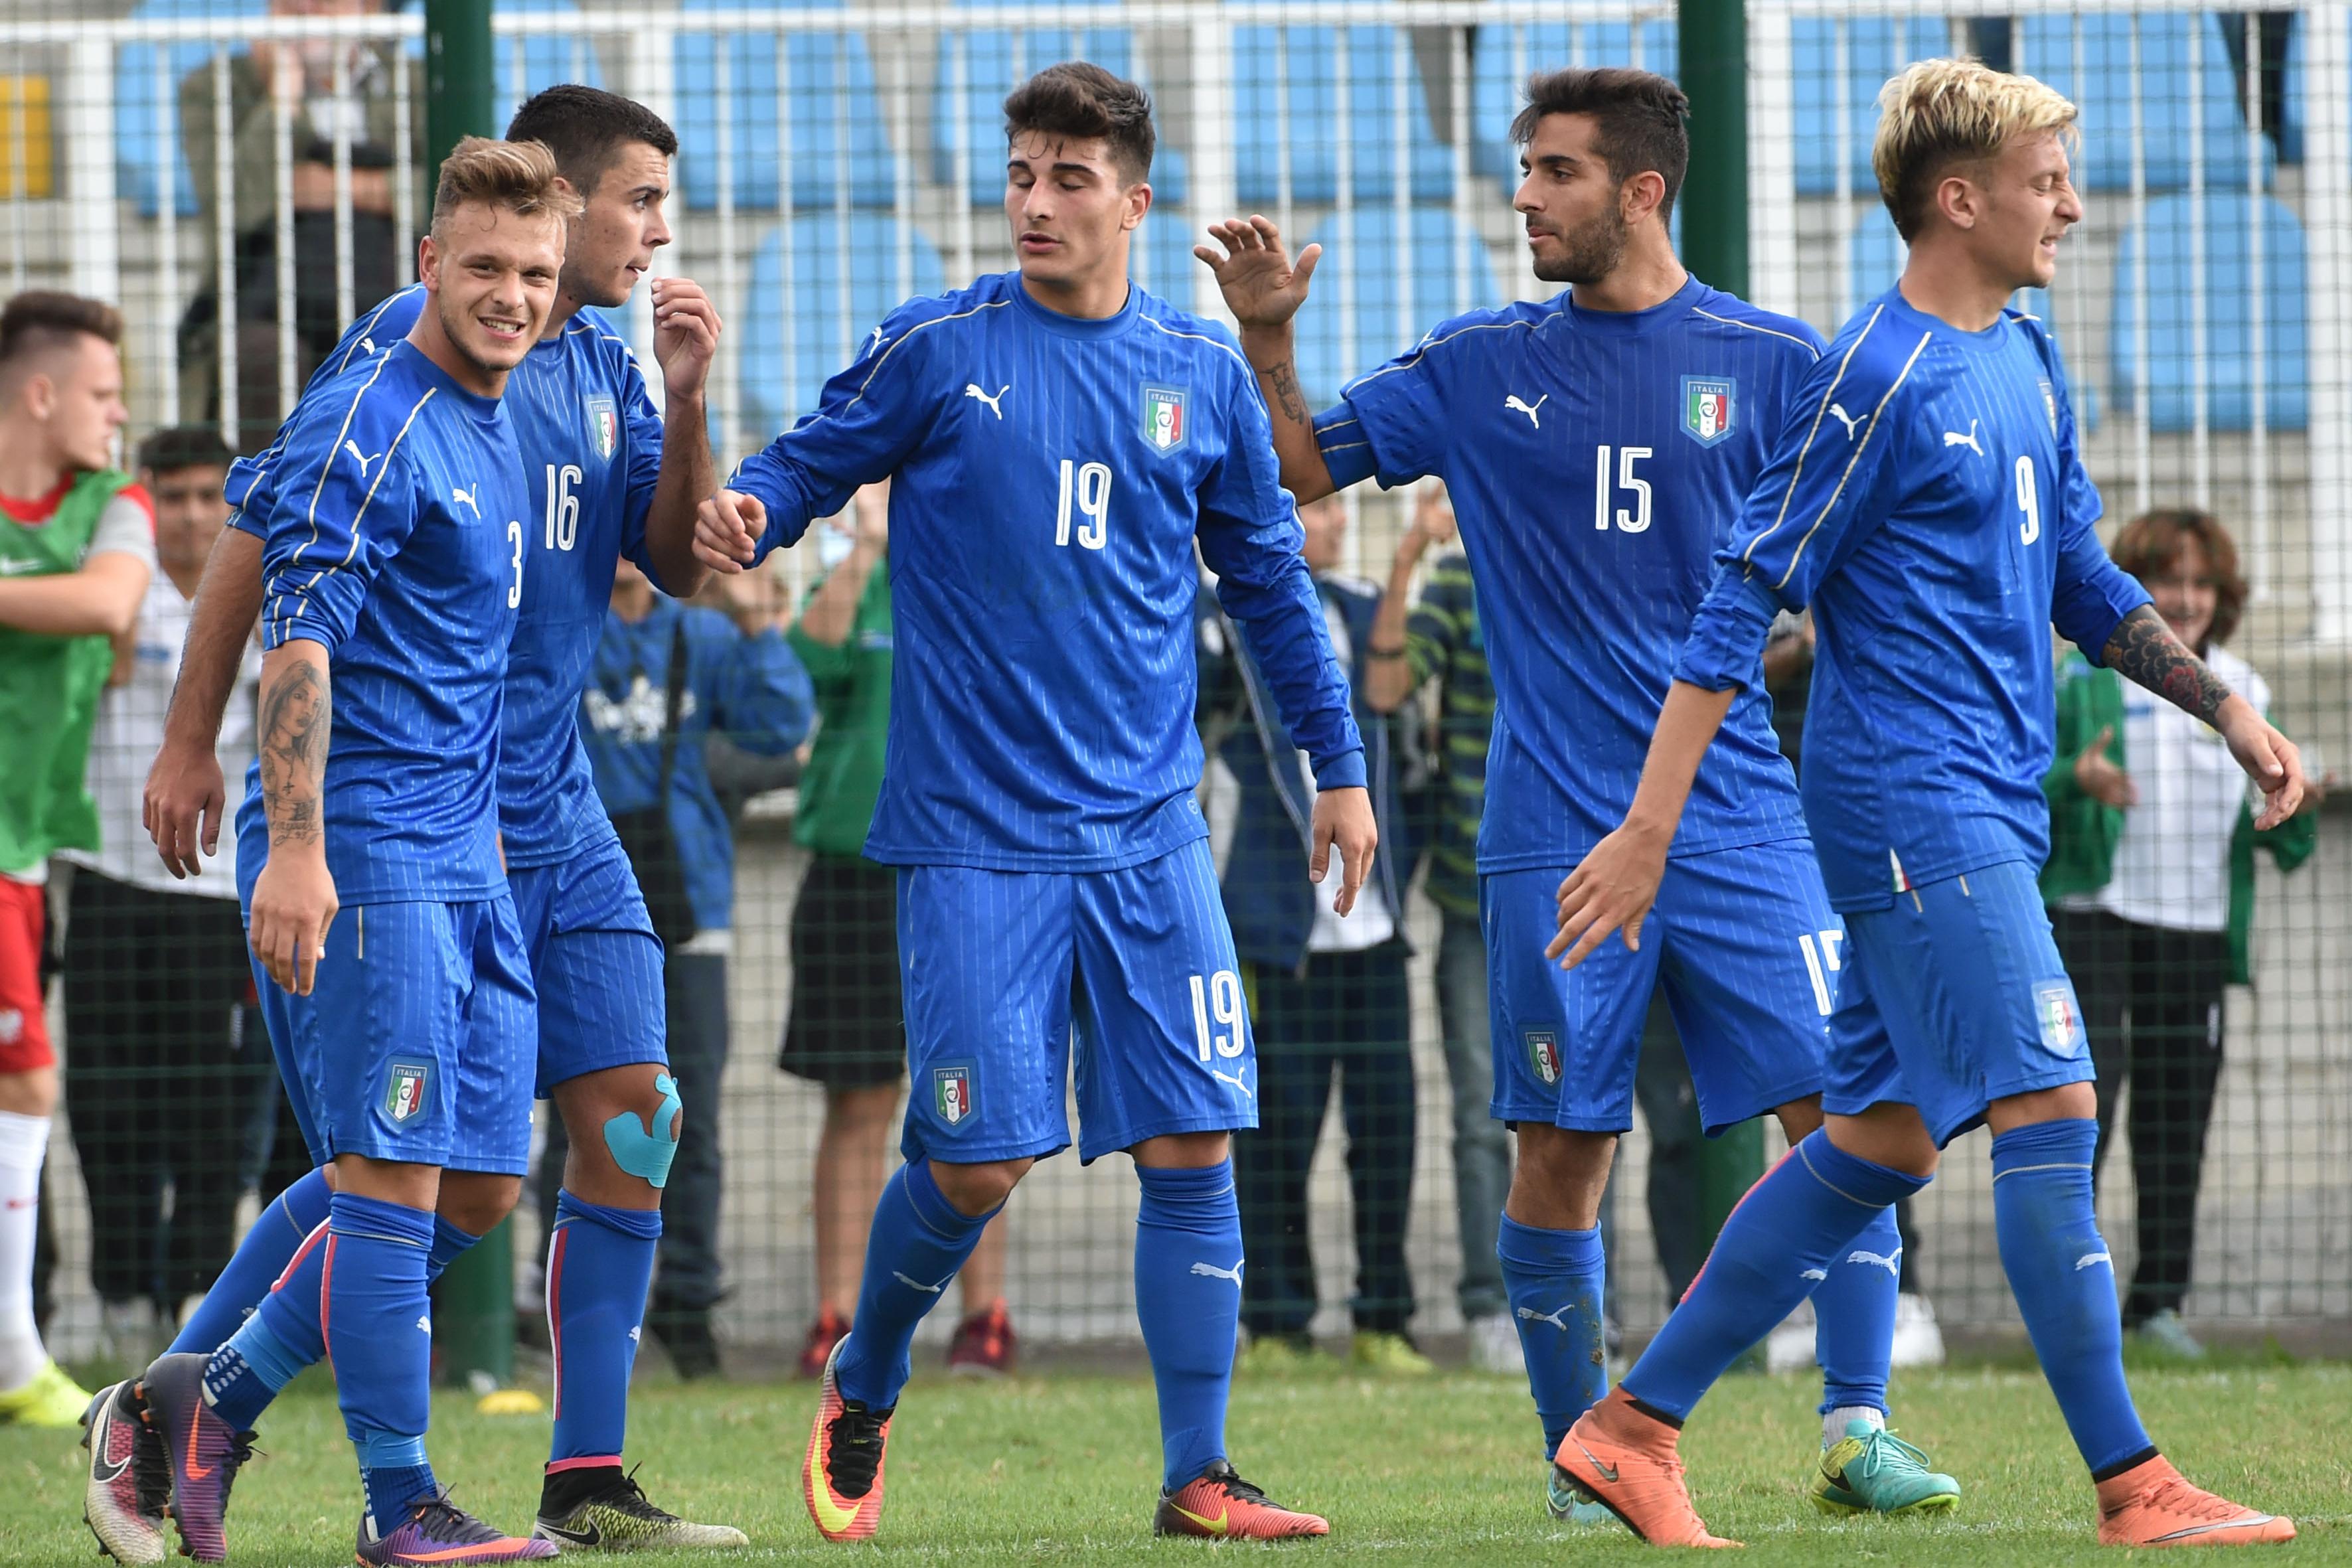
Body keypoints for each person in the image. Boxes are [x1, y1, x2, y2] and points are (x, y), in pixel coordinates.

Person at [1550, 59, 2304, 1549]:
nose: (2071, 208)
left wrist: (2223, 704)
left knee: (1877, 1141)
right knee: (2050, 1103)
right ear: (1958, 198)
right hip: (1909, 802)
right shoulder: (1875, 372)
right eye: (2044, 184)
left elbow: (2082, 579)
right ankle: (2132, 1483)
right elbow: (1737, 600)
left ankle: (1627, 1428)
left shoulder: (2022, 357)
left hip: (1980, 802)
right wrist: (1647, 827)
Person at [1199, 66, 1952, 1527]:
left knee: (1853, 1110)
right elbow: (1294, 467)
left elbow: (1858, 570)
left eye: (1554, 172)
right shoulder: (1477, 361)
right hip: (1548, 828)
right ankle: (1580, 1463)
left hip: (1738, 817)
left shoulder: (1776, 360)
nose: (1525, 197)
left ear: (1643, 190)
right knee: (1560, 1148)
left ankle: (1855, 1424)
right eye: (1522, 168)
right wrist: (1268, 344)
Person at [696, 60, 1374, 1547]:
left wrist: (1337, 770)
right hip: (974, 843)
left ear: (1135, 203)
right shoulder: (937, 348)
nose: (1036, 202)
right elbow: (803, 467)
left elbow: (1269, 591)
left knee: (1195, 1140)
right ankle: (864, 1375)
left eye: (1070, 178)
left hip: (1146, 837)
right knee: (977, 1159)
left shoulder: (1198, 376)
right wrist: (748, 505)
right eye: (1020, 173)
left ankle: (1198, 1472)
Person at [107, 91, 744, 1563]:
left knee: (621, 1120)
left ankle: (581, 1476)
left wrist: (692, 400)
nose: (657, 233)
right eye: (639, 202)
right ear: (545, 209)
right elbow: (277, 557)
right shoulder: (398, 354)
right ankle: (215, 1402)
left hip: (540, 798)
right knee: (402, 1168)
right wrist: (204, 748)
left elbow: (671, 566)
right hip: (399, 805)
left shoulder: (601, 356)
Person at [118, 138, 575, 1568]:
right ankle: (400, 1502)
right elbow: (295, 634)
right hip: (364, 845)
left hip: (469, 843)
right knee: (388, 1175)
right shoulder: (375, 411)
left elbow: (248, 512)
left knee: (481, 1184)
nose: (511, 297)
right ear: (427, 261)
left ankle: (199, 1396)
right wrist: (292, 847)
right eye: (485, 269)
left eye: (535, 276)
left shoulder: (495, 385)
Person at [2042, 507, 2322, 1361]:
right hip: (2098, 921)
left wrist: (2301, 799)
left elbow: (2286, 838)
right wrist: (2077, 779)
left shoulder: (2245, 690)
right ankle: (2067, 1300)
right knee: (2087, 1103)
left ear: (2224, 596)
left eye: (2202, 584)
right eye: (2168, 581)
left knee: (2177, 1119)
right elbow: (2033, 785)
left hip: (2195, 934)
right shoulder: (2087, 678)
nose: (2187, 598)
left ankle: (2156, 1303)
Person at [543, 554, 815, 1374]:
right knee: (561, 1117)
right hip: (568, 915)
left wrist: (757, 618)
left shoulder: (703, 635)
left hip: (689, 913)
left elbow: (781, 723)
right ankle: (544, 1301)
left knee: (683, 1118)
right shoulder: (561, 629)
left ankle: (688, 1302)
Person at [779, 483, 1018, 1381]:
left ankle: (983, 1318)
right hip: (850, 876)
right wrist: (865, 551)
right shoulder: (856, 580)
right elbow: (806, 662)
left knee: (976, 1106)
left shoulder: (976, 576)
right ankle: (833, 1312)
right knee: (860, 1102)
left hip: (962, 875)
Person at [59, 426, 271, 1366]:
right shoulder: (114, 588)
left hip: (219, 887)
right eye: (170, 496)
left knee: (213, 1106)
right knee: (104, 1101)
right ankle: (119, 1297)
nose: (189, 515)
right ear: (145, 501)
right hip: (108, 875)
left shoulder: (268, 603)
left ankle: (195, 1295)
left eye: (204, 496)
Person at [1206, 493, 1423, 1375]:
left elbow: (1391, 691)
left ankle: (1383, 1315)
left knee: (1387, 1126)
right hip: (1277, 923)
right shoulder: (1222, 618)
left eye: (1336, 508)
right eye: (1314, 508)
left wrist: (1409, 560)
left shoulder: (1359, 608)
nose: (1332, 522)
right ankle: (1278, 1318)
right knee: (1277, 1130)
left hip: (1372, 929)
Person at [0, 291, 149, 1429]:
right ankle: (14, 1355)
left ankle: (13, 1352)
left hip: (22, 847)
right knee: (27, 1075)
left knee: (26, 1074)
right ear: (40, 393)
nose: (121, 413)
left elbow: (107, 602)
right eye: (104, 393)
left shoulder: (116, 502)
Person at [1357, 484, 1515, 1372]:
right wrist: (1411, 552)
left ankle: (1572, 1296)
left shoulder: (1571, 563)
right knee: (1474, 1111)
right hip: (1469, 892)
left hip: (1575, 889)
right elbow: (1383, 683)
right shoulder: (1457, 584)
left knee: (1579, 1108)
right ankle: (1488, 1303)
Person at [176, 0, 426, 449]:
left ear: (369, 8)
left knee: (408, 345)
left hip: (393, 281)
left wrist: (342, 188)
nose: (305, 7)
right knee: (259, 357)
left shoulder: (416, 81)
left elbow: (454, 188)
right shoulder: (215, 87)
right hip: (265, 292)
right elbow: (232, 202)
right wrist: (282, 98)